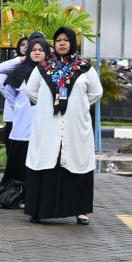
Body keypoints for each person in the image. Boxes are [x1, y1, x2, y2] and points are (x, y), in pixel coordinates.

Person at [24, 27, 103, 224]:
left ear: (72, 43)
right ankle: (39, 210)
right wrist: (49, 105)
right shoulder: (43, 67)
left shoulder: (84, 68)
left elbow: (96, 92)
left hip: (75, 127)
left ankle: (80, 211)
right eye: (58, 40)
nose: (62, 43)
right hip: (48, 125)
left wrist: (77, 105)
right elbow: (31, 91)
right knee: (46, 161)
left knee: (77, 163)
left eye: (66, 40)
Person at [0, 33, 46, 203]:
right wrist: (19, 108)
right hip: (23, 128)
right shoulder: (20, 70)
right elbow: (8, 91)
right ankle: (17, 196)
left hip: (43, 129)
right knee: (21, 163)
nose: (37, 52)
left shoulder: (51, 72)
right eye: (33, 49)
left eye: (41, 50)